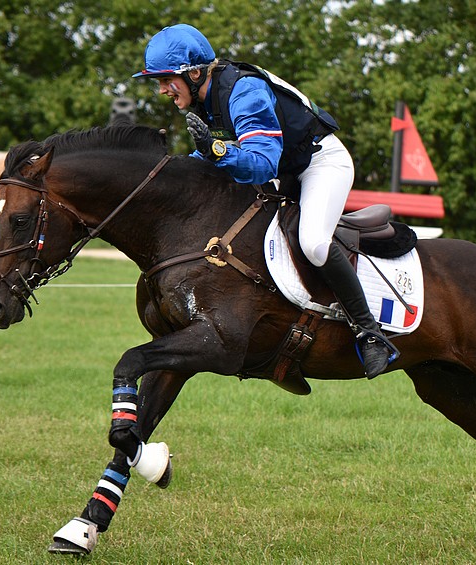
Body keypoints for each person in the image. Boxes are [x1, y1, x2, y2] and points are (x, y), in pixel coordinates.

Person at [133, 24, 398, 378]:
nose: (163, 90)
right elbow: (218, 161)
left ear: (194, 73)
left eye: (167, 80)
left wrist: (215, 150)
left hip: (319, 164)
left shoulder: (245, 92)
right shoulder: (206, 98)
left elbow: (260, 164)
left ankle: (370, 334)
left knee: (314, 243)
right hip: (283, 171)